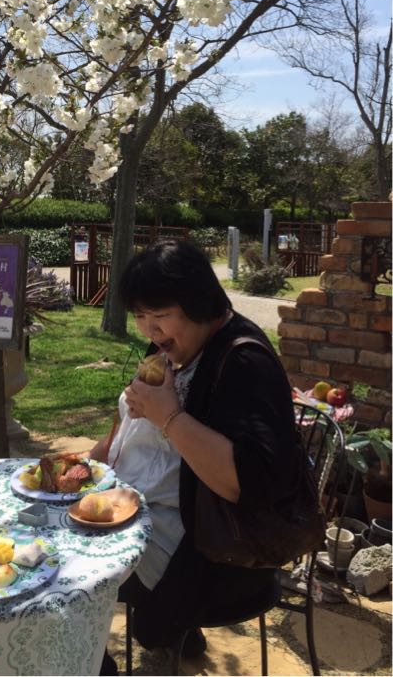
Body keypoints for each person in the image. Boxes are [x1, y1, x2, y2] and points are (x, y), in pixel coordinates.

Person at [89, 239, 301, 674]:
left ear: (198, 301)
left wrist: (169, 417)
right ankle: (162, 638)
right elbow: (130, 412)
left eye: (159, 315)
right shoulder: (171, 346)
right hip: (162, 516)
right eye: (140, 316)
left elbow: (249, 486)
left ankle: (95, 661)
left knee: (77, 571)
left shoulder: (244, 363)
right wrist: (94, 462)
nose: (149, 330)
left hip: (220, 552)